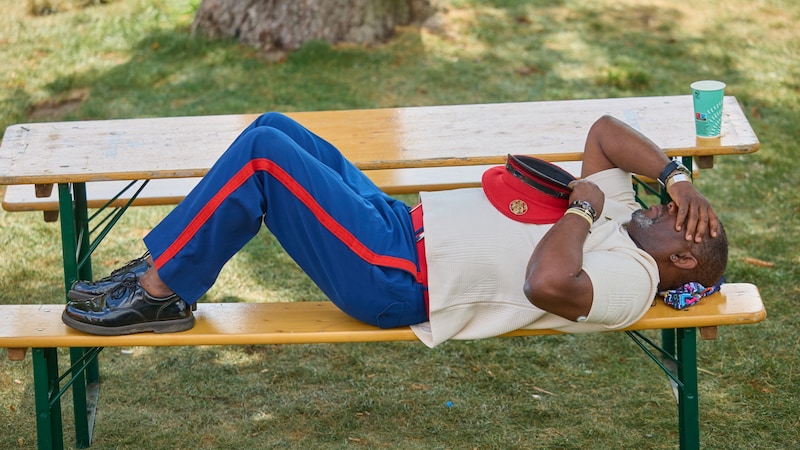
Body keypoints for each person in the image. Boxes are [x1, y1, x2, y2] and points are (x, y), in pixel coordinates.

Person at [61, 112, 727, 348]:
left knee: (264, 161)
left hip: (396, 274)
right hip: (399, 227)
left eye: (676, 219)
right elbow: (605, 131)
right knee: (274, 128)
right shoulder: (625, 211)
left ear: (687, 260)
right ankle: (163, 273)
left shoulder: (634, 279)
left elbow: (550, 282)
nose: (661, 208)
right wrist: (676, 177)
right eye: (672, 204)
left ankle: (158, 290)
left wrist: (581, 211)